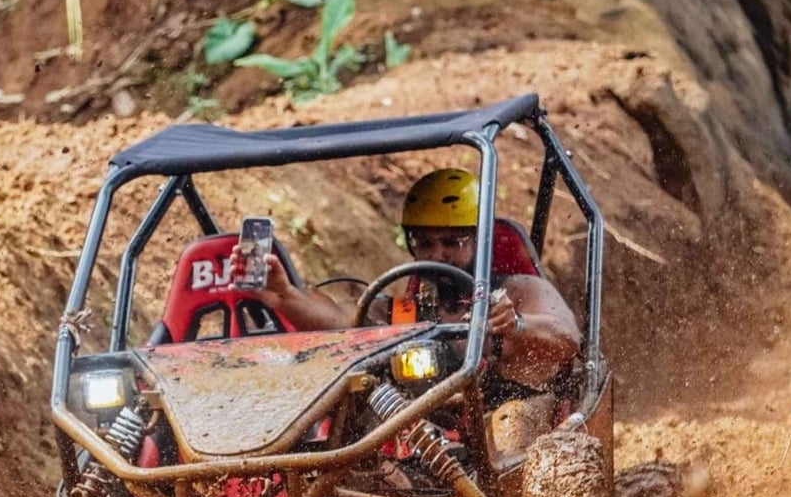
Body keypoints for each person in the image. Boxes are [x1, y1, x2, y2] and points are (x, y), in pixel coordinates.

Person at [241, 168, 582, 408]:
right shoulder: (406, 309)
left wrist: (518, 326)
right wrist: (285, 298)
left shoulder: (520, 291)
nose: (437, 255)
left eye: (453, 241)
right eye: (425, 242)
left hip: (512, 422)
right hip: (427, 434)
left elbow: (567, 338)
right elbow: (341, 320)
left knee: (515, 421)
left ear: (481, 240)